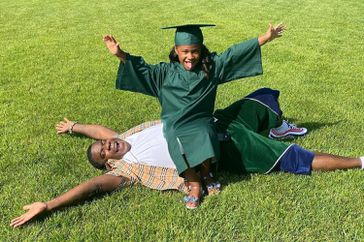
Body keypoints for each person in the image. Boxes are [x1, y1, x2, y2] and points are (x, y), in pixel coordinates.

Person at [10, 89, 364, 227]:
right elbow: (91, 186)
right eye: (104, 154)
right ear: (109, 164)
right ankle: (359, 161)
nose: (107, 147)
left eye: (105, 144)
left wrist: (75, 126)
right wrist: (50, 204)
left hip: (215, 121)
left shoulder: (127, 135)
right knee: (296, 159)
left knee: (262, 98)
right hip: (222, 147)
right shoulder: (128, 171)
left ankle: (276, 126)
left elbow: (99, 130)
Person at [103, 23, 285, 208]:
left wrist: (265, 38)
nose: (190, 57)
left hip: (201, 120)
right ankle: (194, 183)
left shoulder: (210, 68)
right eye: (185, 52)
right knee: (174, 135)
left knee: (205, 132)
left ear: (201, 50)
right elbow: (142, 69)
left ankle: (207, 174)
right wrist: (120, 54)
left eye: (195, 51)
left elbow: (233, 54)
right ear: (176, 50)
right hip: (174, 123)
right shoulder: (164, 74)